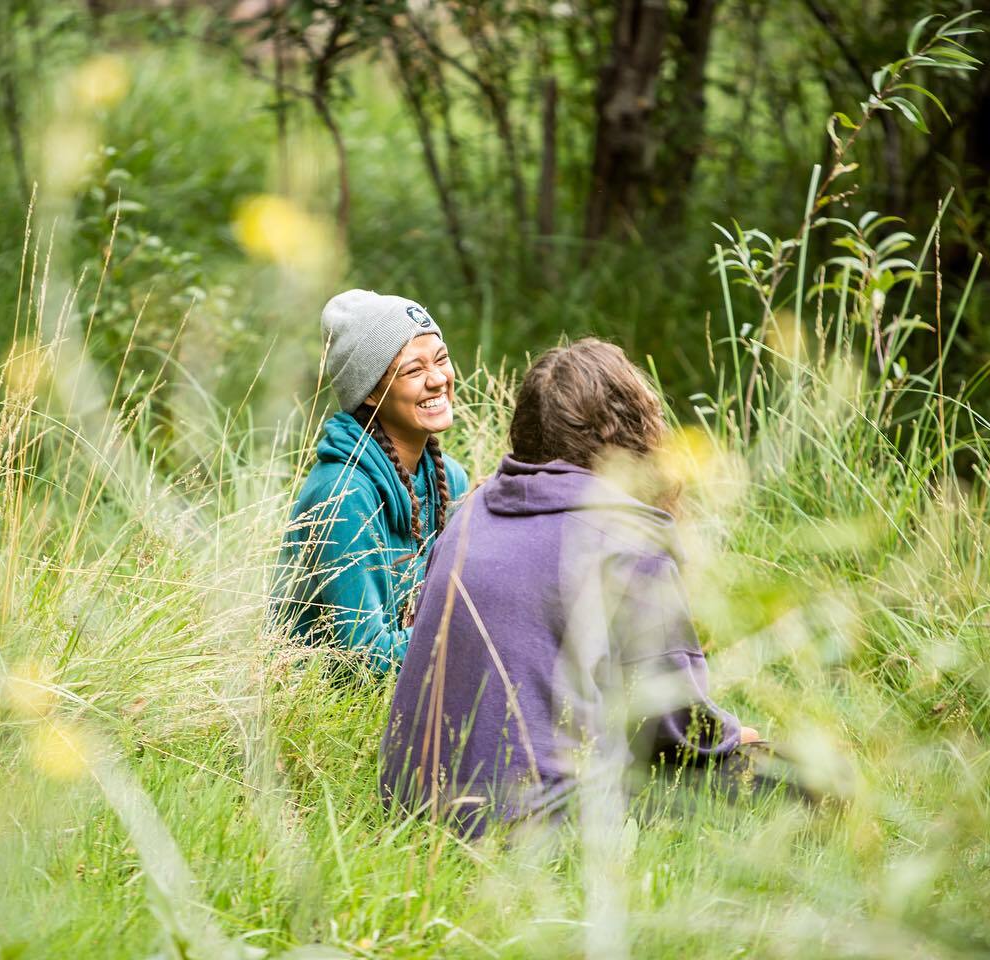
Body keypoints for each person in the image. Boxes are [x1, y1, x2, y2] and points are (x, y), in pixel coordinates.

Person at [380, 338, 760, 836]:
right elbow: (675, 735)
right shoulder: (627, 541)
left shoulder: (469, 513)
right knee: (793, 778)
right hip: (529, 828)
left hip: (411, 810)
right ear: (630, 434)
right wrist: (734, 738)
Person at [276, 289, 470, 673]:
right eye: (413, 371)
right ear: (369, 393)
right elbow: (363, 659)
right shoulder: (343, 495)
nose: (437, 379)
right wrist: (472, 633)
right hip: (320, 716)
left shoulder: (451, 478)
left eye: (441, 360)